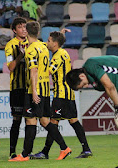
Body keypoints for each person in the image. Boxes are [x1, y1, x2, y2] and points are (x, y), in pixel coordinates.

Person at [9, 21, 71, 162]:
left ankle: (25, 155)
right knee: (44, 121)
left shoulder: (31, 49)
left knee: (31, 120)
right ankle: (64, 148)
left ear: (27, 32)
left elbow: (33, 70)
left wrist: (34, 91)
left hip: (35, 90)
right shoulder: (43, 46)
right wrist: (61, 34)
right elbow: (54, 43)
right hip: (45, 89)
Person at [30, 31, 93, 160]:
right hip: (68, 93)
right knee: (73, 121)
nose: (47, 43)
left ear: (55, 43)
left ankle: (46, 152)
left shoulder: (58, 55)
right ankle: (86, 149)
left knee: (53, 122)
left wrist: (35, 68)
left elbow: (49, 71)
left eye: (48, 41)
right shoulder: (62, 53)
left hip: (62, 94)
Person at [4, 17, 28, 159]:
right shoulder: (10, 45)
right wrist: (20, 56)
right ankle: (12, 151)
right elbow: (11, 67)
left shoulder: (31, 43)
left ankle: (26, 151)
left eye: (25, 26)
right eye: (20, 27)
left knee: (30, 120)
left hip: (30, 88)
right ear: (14, 30)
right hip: (17, 89)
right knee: (17, 120)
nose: (23, 29)